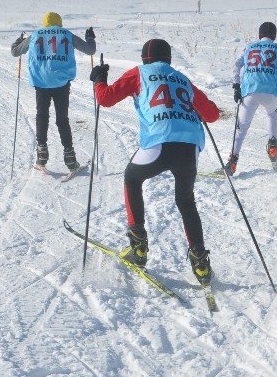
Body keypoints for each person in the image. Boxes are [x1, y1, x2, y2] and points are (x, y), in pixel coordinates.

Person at [90, 39, 221, 285]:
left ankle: (138, 248)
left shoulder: (139, 73)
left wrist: (98, 78)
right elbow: (212, 115)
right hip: (189, 147)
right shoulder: (182, 79)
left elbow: (105, 99)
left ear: (144, 59)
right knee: (185, 200)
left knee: (132, 178)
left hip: (159, 142)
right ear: (169, 59)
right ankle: (201, 264)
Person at [11, 12, 96, 172]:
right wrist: (90, 37)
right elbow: (90, 50)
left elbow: (15, 52)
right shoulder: (66, 34)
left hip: (41, 82)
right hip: (61, 83)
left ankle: (41, 155)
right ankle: (70, 160)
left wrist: (19, 41)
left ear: (45, 23)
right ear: (59, 23)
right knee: (62, 119)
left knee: (41, 116)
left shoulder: (35, 35)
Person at [226, 22, 277, 175]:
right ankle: (272, 144)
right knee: (271, 115)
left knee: (241, 128)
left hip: (249, 91)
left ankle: (233, 162)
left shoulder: (249, 47)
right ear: (274, 36)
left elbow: (236, 65)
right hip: (270, 92)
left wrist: (236, 85)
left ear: (259, 35)